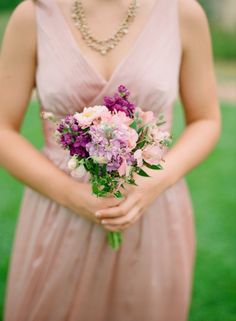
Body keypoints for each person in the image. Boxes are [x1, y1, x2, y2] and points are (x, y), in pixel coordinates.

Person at [0, 0, 221, 320]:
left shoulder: (182, 12)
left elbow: (207, 120)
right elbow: (3, 129)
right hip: (58, 210)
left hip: (150, 209)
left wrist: (155, 181)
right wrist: (73, 195)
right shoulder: (34, 14)